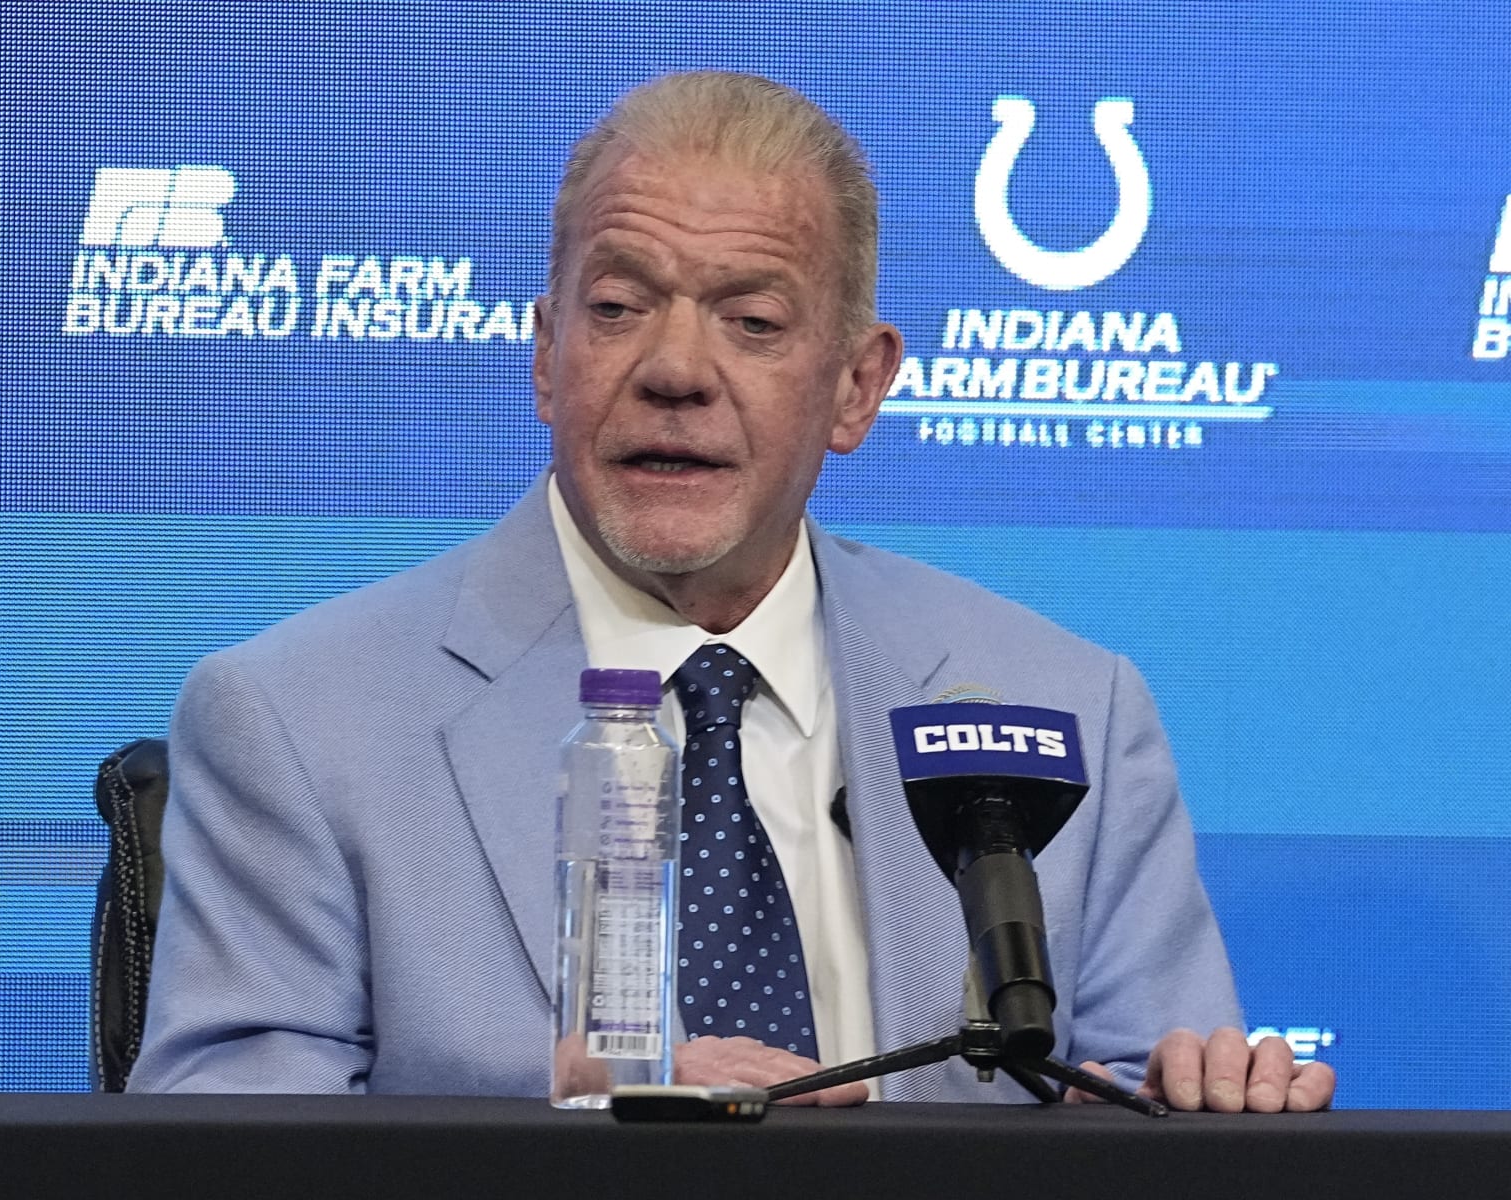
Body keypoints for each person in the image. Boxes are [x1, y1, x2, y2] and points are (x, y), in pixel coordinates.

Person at [128, 70, 1335, 1113]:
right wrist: (552, 1113)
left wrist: (1211, 1101)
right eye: (618, 308)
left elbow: (1144, 1092)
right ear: (548, 357)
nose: (673, 370)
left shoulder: (1064, 704)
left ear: (858, 388)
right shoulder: (297, 720)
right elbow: (223, 1140)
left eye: (751, 321)